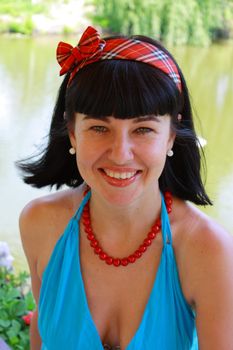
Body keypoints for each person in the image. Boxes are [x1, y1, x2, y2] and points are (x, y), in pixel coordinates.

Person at [18, 26, 233, 350]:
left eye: (143, 129)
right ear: (73, 133)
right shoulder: (40, 224)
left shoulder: (209, 252)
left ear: (171, 136)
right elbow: (42, 336)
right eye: (99, 127)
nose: (120, 153)